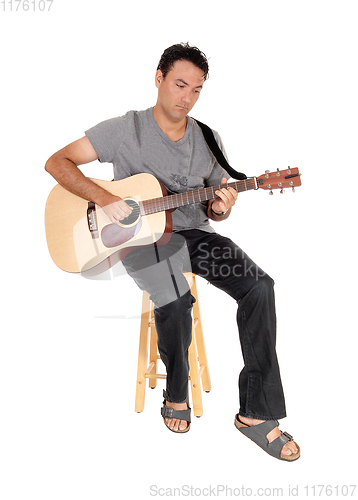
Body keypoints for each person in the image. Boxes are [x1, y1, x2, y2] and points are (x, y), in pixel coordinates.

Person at [45, 43, 300, 461]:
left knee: (259, 287)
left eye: (197, 90)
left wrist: (221, 207)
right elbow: (58, 162)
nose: (187, 97)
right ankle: (175, 391)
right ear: (159, 77)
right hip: (141, 241)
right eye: (180, 84)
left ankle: (256, 413)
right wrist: (106, 199)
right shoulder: (124, 129)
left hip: (194, 236)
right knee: (176, 299)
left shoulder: (207, 138)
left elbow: (215, 208)